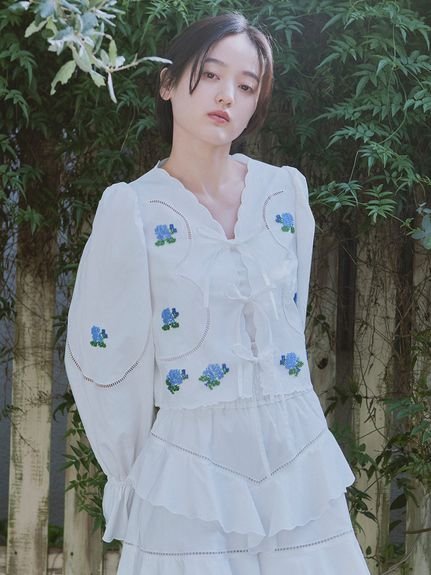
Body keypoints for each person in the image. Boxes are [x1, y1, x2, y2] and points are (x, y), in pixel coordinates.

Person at [64, 12, 372, 575]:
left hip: (295, 460)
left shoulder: (285, 193)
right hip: (190, 470)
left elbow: (290, 319)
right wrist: (131, 470)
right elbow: (103, 356)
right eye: (210, 74)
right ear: (167, 83)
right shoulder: (132, 209)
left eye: (247, 85)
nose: (227, 95)